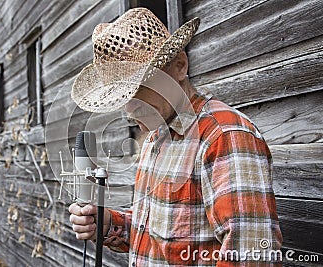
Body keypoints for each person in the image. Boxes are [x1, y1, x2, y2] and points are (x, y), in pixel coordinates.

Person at [69, 7, 282, 266]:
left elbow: (252, 258)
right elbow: (156, 233)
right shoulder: (154, 138)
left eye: (139, 87)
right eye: (122, 96)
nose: (128, 107)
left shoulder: (224, 137)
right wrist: (109, 224)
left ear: (180, 66)